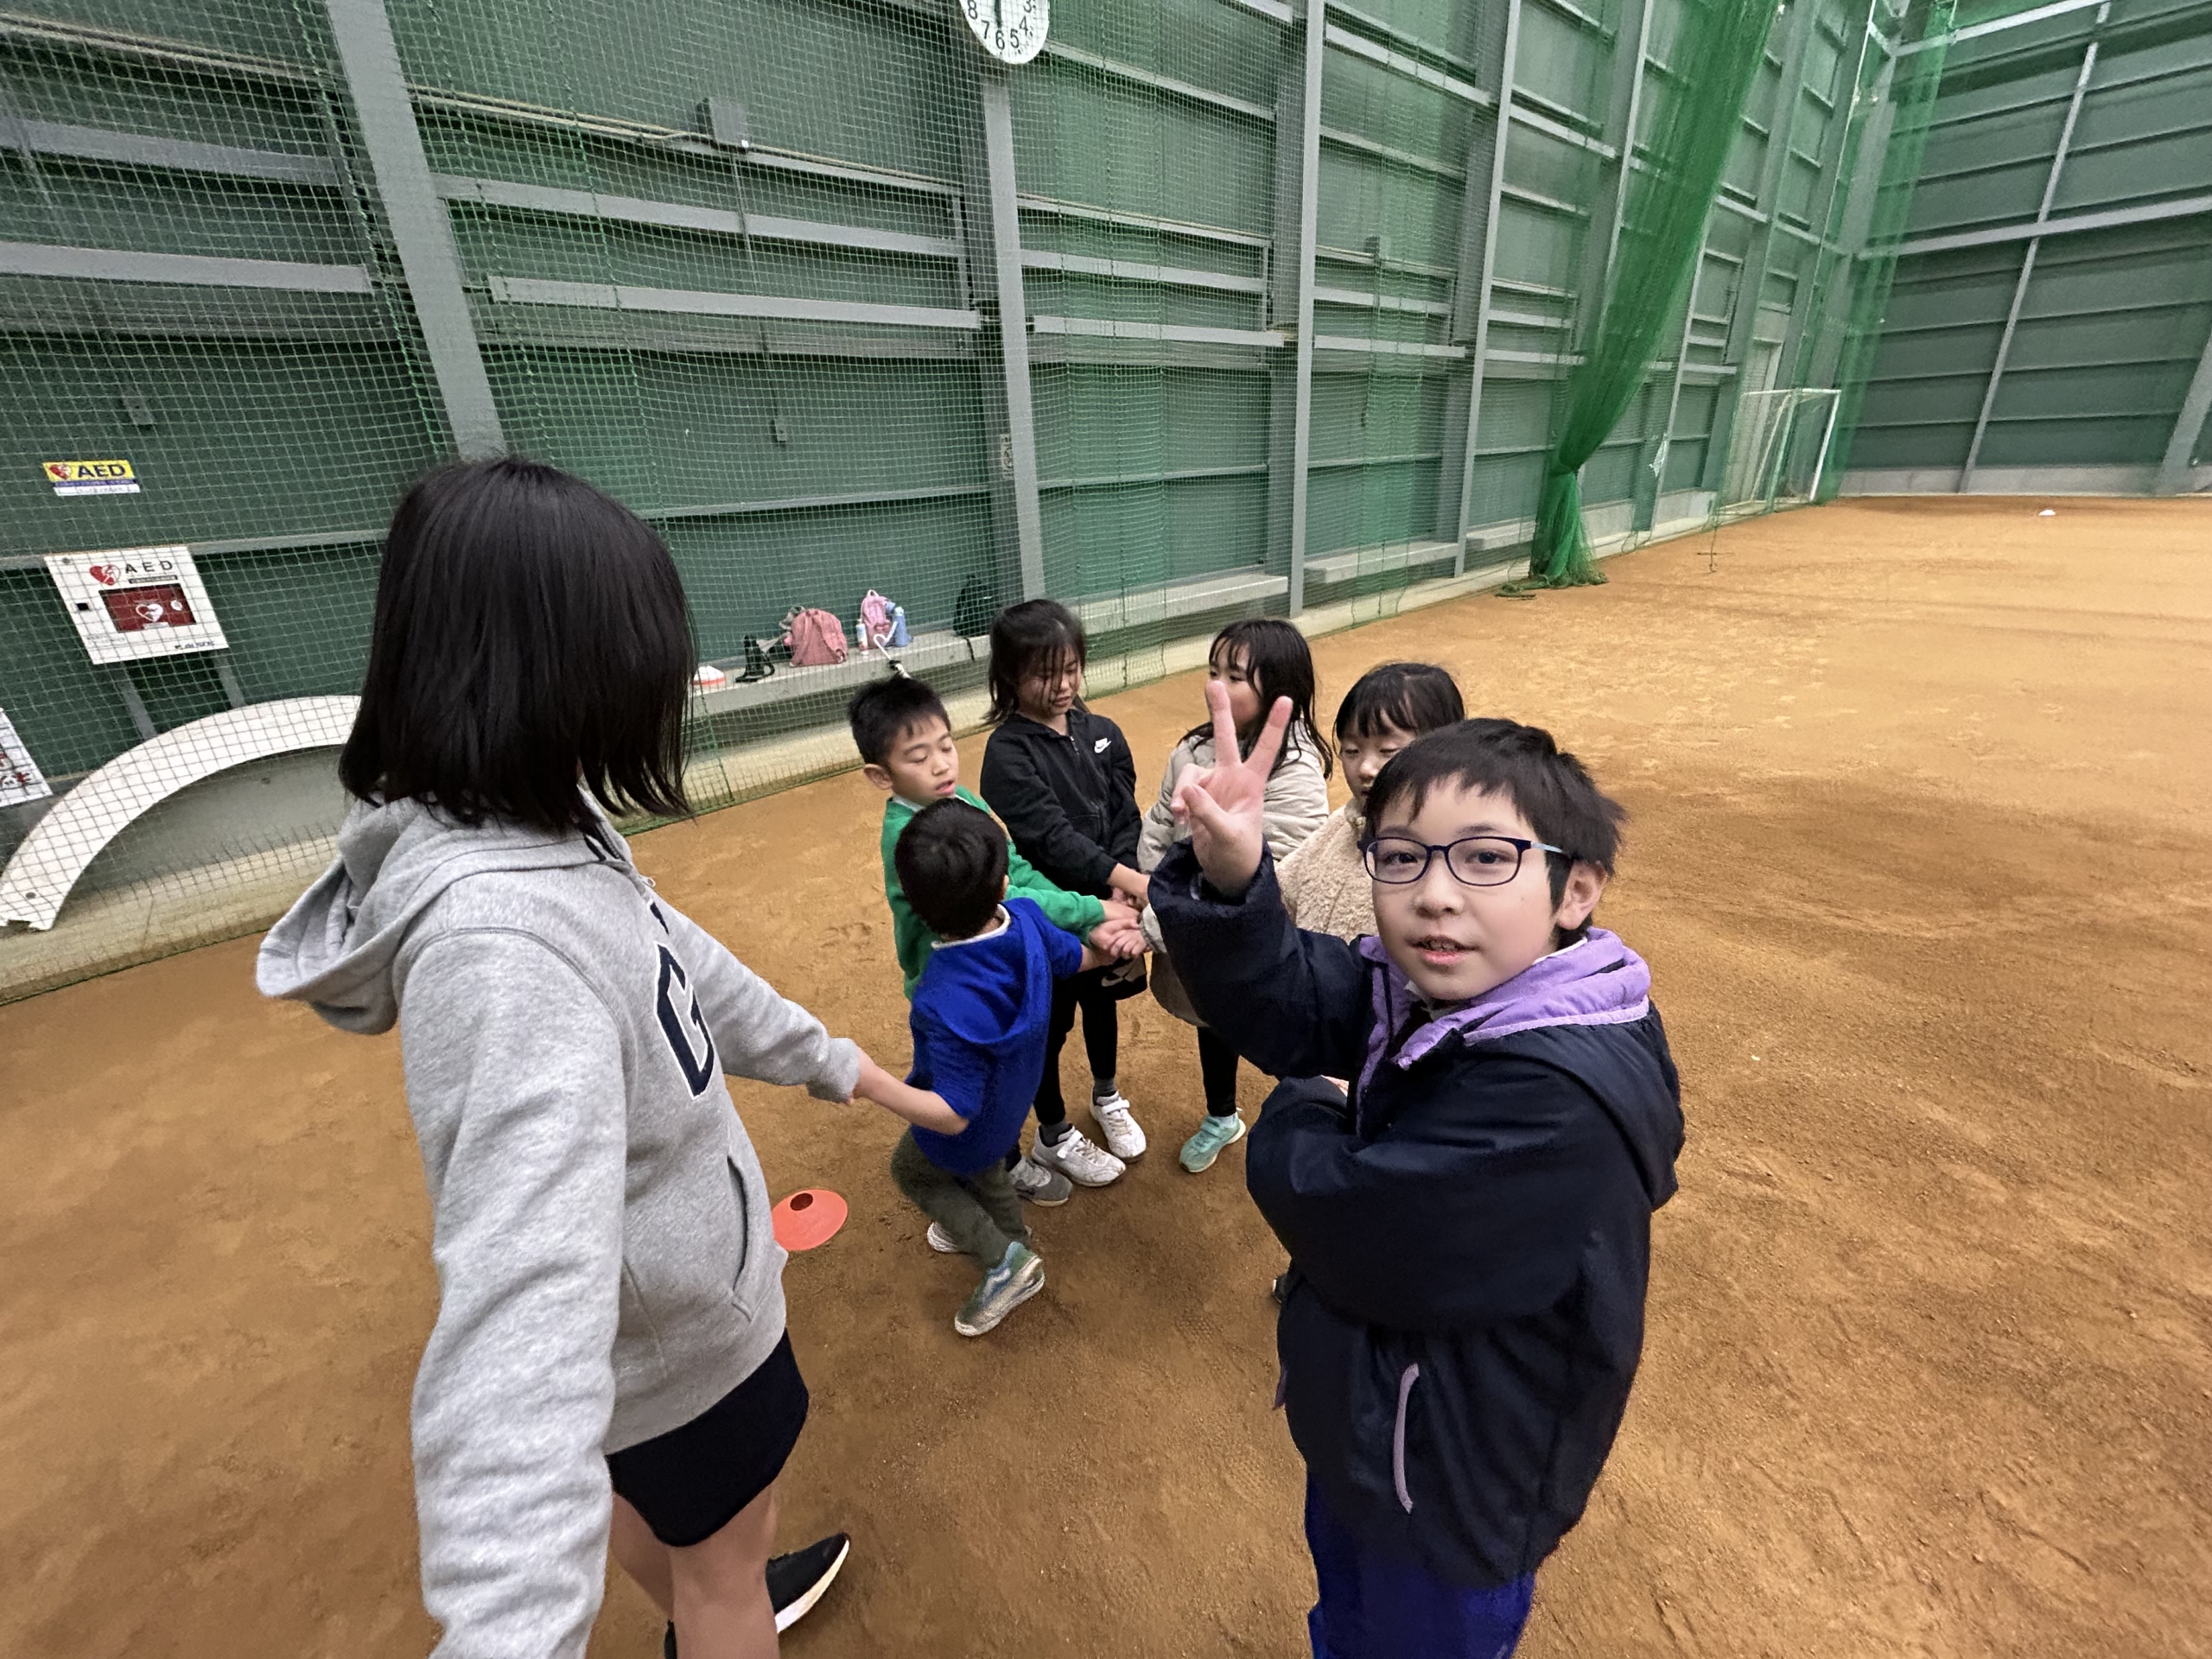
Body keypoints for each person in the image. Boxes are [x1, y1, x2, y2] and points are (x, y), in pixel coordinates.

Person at [256, 458, 941, 1659]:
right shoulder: (499, 942)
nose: (662, 681)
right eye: (639, 650)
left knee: (667, 1524)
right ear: (552, 664)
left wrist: (851, 1070)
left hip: (658, 1343)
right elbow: (516, 1318)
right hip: (683, 1343)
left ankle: (706, 1585)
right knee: (726, 1584)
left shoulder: (533, 816)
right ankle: (723, 1602)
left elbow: (678, 964)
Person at [1151, 686, 1684, 1659]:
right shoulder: (1454, 989)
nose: (1435, 893)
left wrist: (1302, 1104)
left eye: (1486, 859)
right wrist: (1233, 885)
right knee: (1345, 1625)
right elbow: (1302, 992)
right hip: (1381, 1439)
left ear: (1577, 890)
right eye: (1400, 859)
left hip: (1453, 1488)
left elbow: (1355, 1224)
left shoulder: (1556, 1098)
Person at [845, 672, 1146, 1205]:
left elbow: (1019, 871)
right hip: (950, 990)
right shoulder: (908, 839)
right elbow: (1007, 900)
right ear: (879, 774)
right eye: (918, 757)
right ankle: (994, 1173)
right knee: (966, 1092)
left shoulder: (961, 800)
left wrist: (1085, 915)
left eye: (945, 746)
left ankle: (1007, 1159)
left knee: (1003, 1080)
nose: (940, 764)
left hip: (995, 962)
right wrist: (1093, 909)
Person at [887, 798, 1119, 1334]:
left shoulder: (939, 996)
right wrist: (1107, 951)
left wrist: (873, 1083)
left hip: (969, 1121)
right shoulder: (1029, 919)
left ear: (916, 910)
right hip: (1012, 1103)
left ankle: (1001, 1258)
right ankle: (1017, 1241)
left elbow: (950, 1114)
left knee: (912, 1172)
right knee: (985, 1164)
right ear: (1001, 887)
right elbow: (1073, 958)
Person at [1136, 619, 1332, 1173]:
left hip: (1254, 941)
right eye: (1214, 671)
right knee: (1213, 1022)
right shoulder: (1192, 748)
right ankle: (1222, 1115)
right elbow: (1158, 825)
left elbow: (1279, 867)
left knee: (1277, 1031)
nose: (1217, 686)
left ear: (1279, 687)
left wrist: (1154, 924)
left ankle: (1315, 1122)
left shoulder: (1296, 773)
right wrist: (1153, 890)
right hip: (1189, 934)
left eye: (1237, 676)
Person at [977, 599, 1149, 1185]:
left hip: (1114, 905)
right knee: (1046, 1024)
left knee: (1103, 1003)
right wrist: (1121, 887)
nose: (1062, 685)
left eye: (1071, 668)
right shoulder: (1006, 754)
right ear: (1009, 677)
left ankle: (1106, 1094)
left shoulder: (1102, 732)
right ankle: (1053, 1131)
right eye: (1044, 674)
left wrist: (1122, 886)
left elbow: (1128, 814)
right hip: (1050, 914)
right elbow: (1047, 838)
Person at [1278, 661, 1465, 944]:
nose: (1365, 768)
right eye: (1351, 750)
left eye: (1387, 750)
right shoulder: (1340, 827)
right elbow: (1278, 895)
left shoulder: (1453, 858)